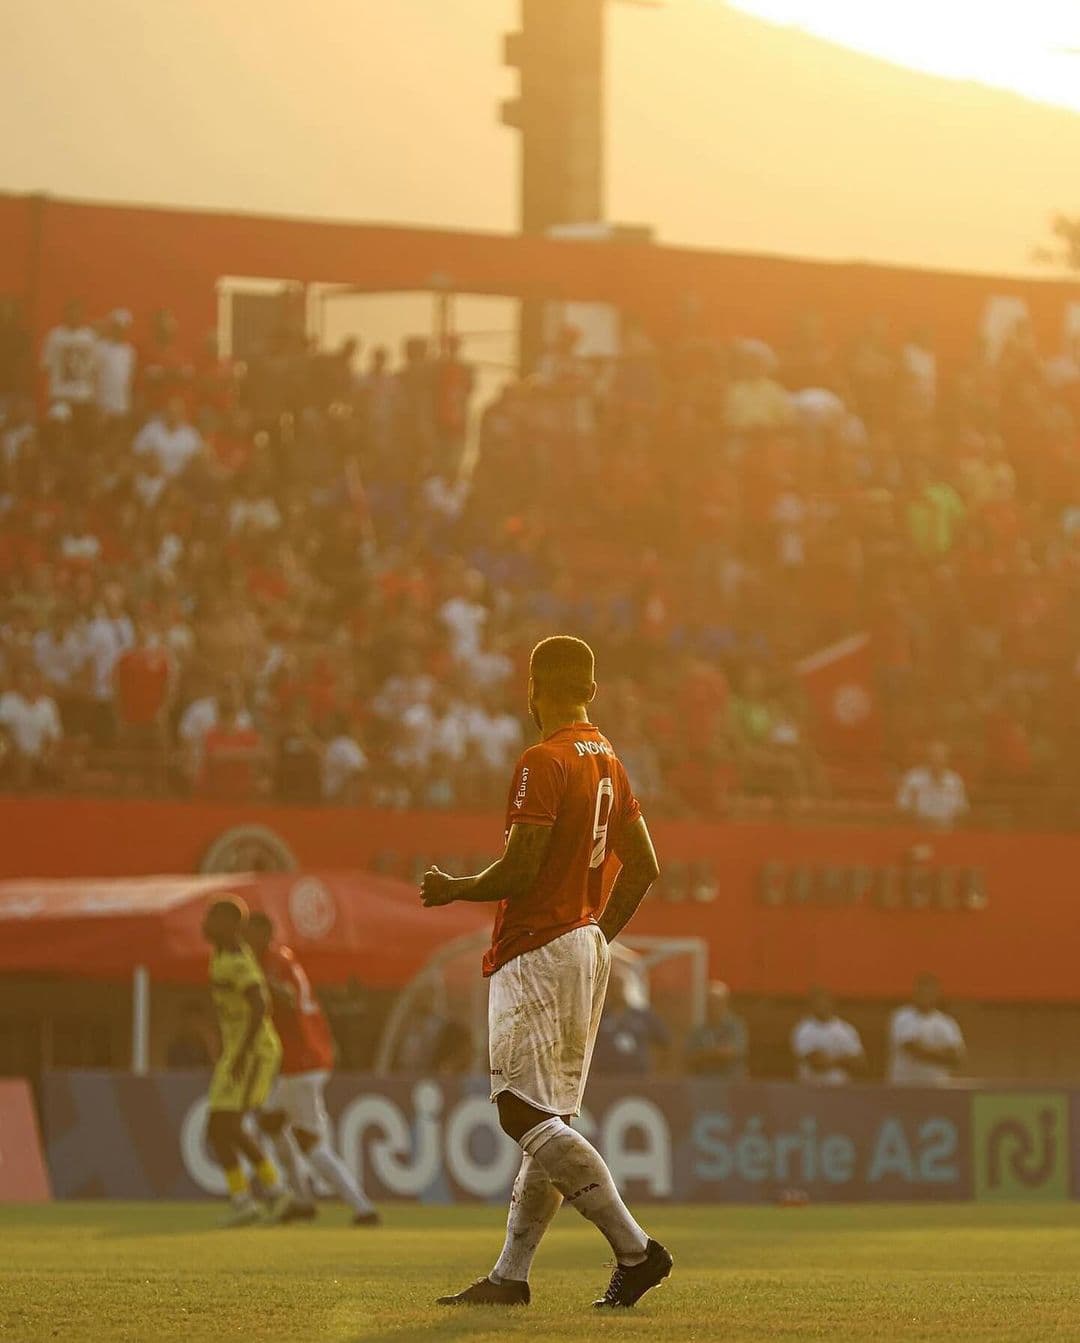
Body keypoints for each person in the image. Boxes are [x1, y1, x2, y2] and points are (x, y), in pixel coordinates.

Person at [421, 634, 672, 1309]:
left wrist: (455, 887)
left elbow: (522, 867)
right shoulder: (609, 759)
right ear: (590, 688)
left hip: (537, 946)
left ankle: (636, 1250)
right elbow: (644, 865)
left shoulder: (544, 759)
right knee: (548, 1116)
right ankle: (510, 1276)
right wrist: (596, 936)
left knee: (520, 1110)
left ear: (534, 689)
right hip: (581, 944)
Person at [245, 912, 379, 1227]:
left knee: (309, 1142)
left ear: (264, 933)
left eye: (249, 932)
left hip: (301, 1062)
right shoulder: (281, 958)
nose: (245, 940)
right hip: (299, 1060)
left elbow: (288, 998)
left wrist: (261, 985)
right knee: (271, 1123)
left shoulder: (273, 962)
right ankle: (302, 1200)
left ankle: (363, 1208)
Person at [201, 896, 291, 1227]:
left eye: (213, 918)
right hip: (237, 1050)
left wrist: (240, 1053)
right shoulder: (221, 954)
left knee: (222, 1126)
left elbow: (260, 1004)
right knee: (223, 1127)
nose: (205, 924)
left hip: (252, 1051)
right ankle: (266, 1194)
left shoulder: (238, 960)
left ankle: (259, 1196)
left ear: (229, 924)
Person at [888, 973, 965, 1087]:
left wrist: (925, 1049)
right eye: (922, 991)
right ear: (915, 993)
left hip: (937, 1086)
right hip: (904, 1086)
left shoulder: (946, 1022)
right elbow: (911, 1049)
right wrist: (943, 1054)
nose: (925, 995)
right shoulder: (902, 1016)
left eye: (930, 992)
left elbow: (956, 1057)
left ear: (937, 994)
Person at [590, 972, 671, 1077]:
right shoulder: (598, 1015)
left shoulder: (643, 1015)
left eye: (620, 985)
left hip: (639, 1078)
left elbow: (665, 1043)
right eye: (612, 986)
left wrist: (659, 1070)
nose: (616, 990)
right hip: (605, 1077)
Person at [790, 987, 865, 1085]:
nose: (821, 1005)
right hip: (809, 1087)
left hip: (840, 1087)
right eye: (817, 1002)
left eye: (824, 1001)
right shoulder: (803, 1030)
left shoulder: (845, 1030)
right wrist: (843, 1060)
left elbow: (859, 1062)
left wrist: (832, 1061)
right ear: (811, 1005)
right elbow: (815, 1062)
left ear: (831, 1003)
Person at [896, 740, 969, 829]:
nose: (937, 761)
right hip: (919, 830)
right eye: (934, 756)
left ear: (947, 759)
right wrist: (922, 819)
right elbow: (903, 807)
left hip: (947, 831)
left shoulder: (955, 781)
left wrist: (947, 822)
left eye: (941, 757)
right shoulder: (913, 778)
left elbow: (961, 810)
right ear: (927, 758)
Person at [685, 981, 748, 1079]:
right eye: (709, 1003)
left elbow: (733, 1052)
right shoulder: (699, 1030)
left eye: (715, 1002)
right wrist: (715, 1053)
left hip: (731, 1082)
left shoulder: (736, 1027)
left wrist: (705, 1054)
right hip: (704, 1082)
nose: (712, 1006)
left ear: (725, 1003)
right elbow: (689, 1056)